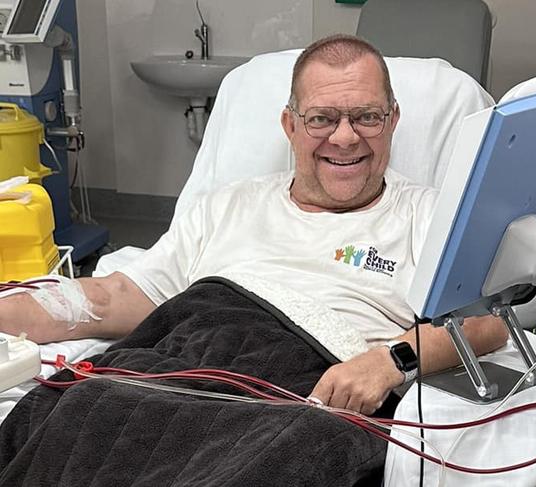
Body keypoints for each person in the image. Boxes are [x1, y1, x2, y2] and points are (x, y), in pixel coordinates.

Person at [0, 34, 508, 416]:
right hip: (187, 366)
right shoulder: (226, 206)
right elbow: (116, 298)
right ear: (290, 125)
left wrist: (388, 361)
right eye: (322, 119)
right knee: (60, 415)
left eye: (367, 117)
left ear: (393, 119)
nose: (346, 138)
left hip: (304, 396)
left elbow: (487, 322)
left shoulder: (429, 215)